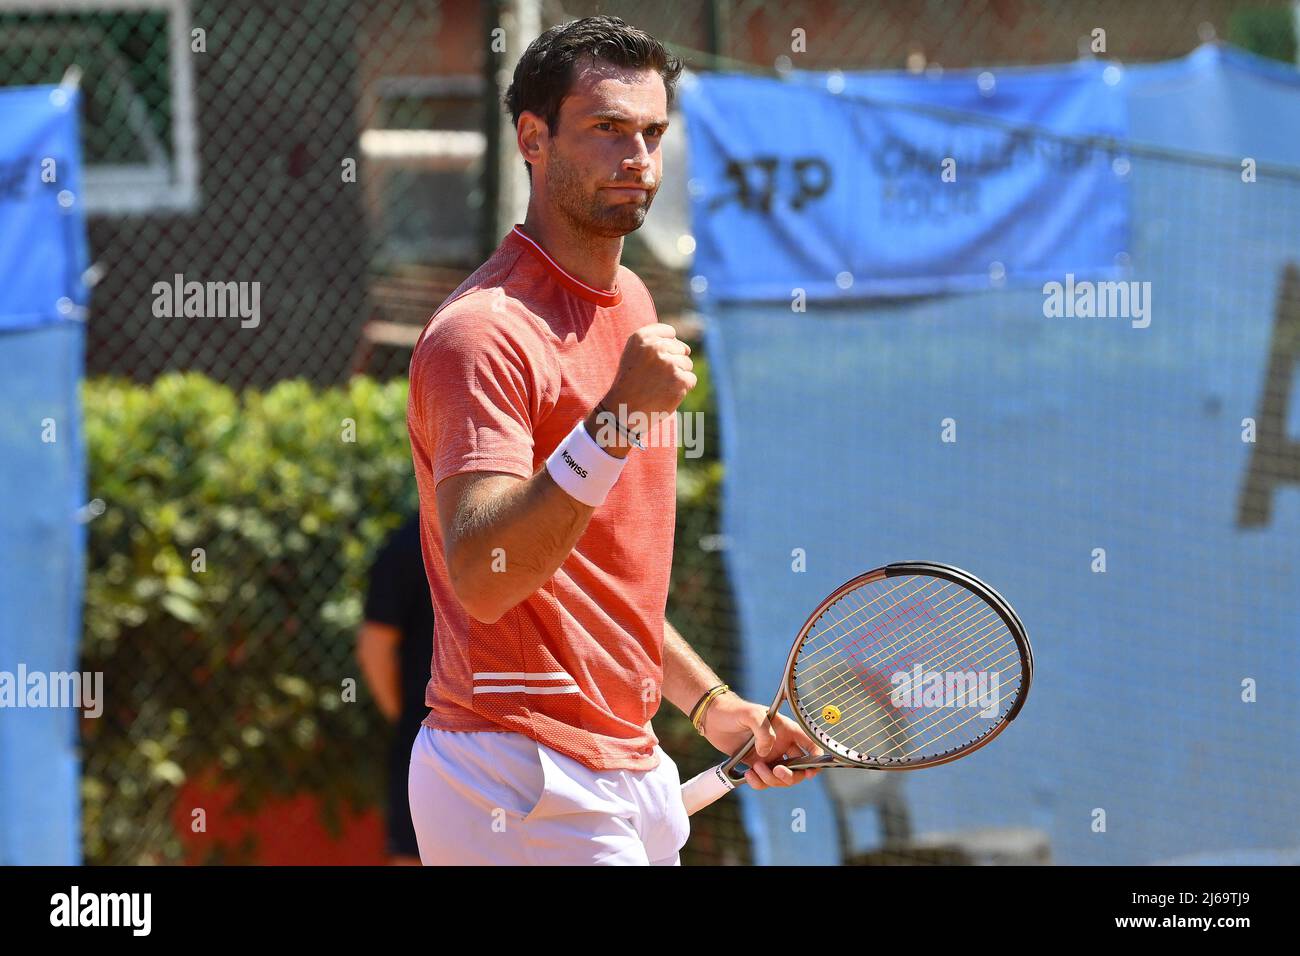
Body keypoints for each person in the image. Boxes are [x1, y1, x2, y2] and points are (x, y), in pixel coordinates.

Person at [405, 15, 820, 866]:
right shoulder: (482, 335)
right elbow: (486, 578)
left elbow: (592, 582)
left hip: (620, 759)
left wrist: (712, 706)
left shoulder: (630, 301)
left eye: (652, 133)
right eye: (605, 130)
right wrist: (619, 418)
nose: (637, 158)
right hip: (514, 770)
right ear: (533, 137)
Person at [357, 512, 434, 866]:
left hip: (426, 738)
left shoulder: (406, 540)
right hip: (517, 738)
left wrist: (407, 722)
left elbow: (374, 647)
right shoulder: (525, 533)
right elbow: (376, 644)